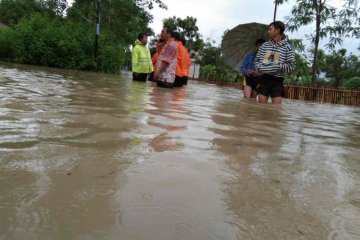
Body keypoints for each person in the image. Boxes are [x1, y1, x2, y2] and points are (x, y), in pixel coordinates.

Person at [254, 21, 295, 104]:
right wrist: (259, 68)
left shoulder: (288, 47)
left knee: (276, 110)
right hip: (264, 79)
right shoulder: (264, 46)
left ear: (277, 30)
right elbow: (256, 61)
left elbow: (291, 65)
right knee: (260, 108)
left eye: (270, 29)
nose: (268, 31)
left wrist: (276, 67)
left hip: (278, 81)